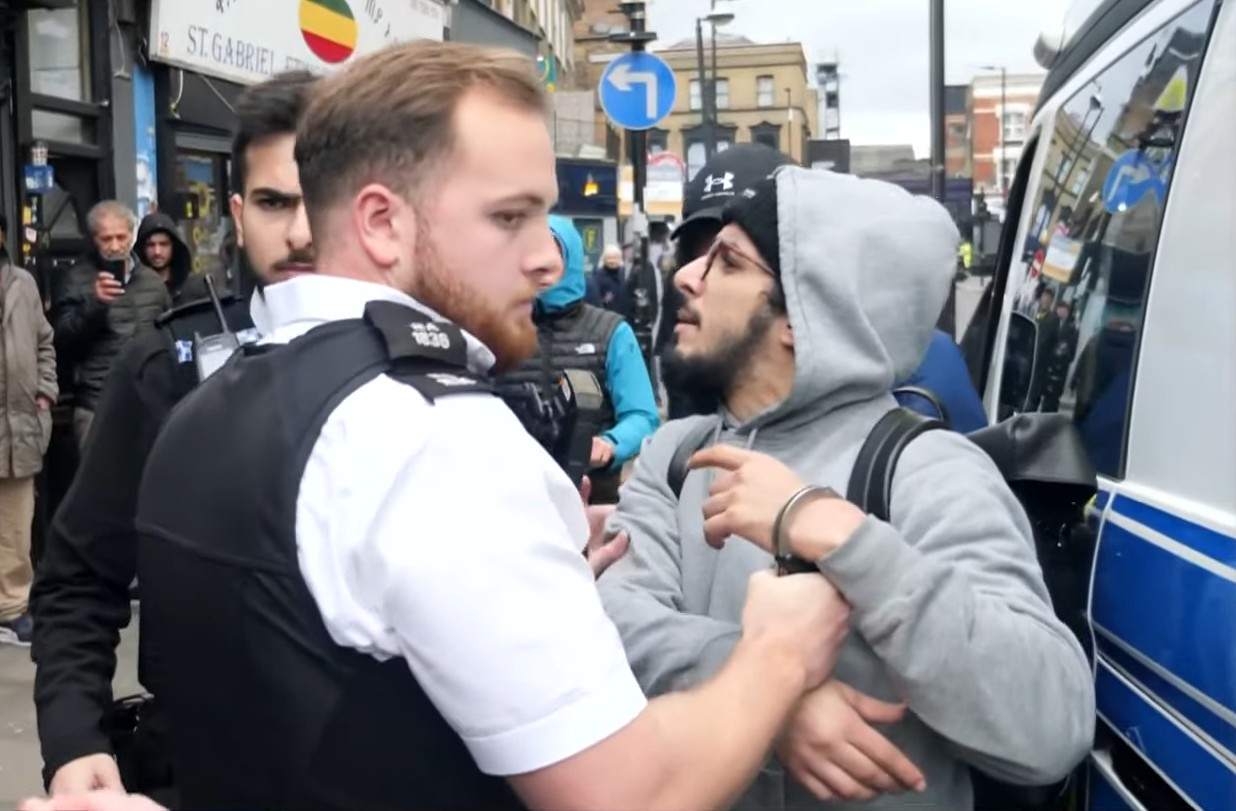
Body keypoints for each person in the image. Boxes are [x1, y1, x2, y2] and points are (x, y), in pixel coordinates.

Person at [131, 41, 849, 811]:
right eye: (510, 216)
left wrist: (542, 545)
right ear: (380, 222)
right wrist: (779, 652)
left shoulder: (215, 393)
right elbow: (633, 793)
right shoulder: (436, 438)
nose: (546, 257)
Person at [598, 168, 1095, 809]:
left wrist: (843, 537)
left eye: (727, 262)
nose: (686, 276)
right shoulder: (676, 454)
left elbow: (1050, 726)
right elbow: (611, 628)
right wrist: (773, 697)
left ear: (803, 316)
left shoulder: (927, 469)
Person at [30, 69, 319, 800]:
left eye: (320, 198)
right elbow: (78, 576)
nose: (300, 231)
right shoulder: (172, 363)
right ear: (237, 212)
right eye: (274, 201)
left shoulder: (434, 361)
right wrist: (74, 741)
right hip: (197, 762)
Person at [501, 216, 658, 503]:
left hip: (592, 495)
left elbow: (643, 415)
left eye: (551, 253)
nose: (539, 265)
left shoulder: (612, 332)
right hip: (514, 497)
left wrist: (611, 445)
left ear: (571, 259)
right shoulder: (496, 328)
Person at [52, 201, 171, 450]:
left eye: (121, 237)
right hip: (97, 404)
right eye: (106, 239)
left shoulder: (151, 281)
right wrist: (95, 305)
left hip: (148, 402)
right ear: (94, 238)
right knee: (103, 486)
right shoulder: (75, 280)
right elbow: (62, 342)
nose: (115, 246)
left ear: (132, 235)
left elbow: (168, 332)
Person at [0, 234, 57, 646]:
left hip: (19, 421)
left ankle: (13, 607)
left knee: (16, 523)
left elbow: (44, 341)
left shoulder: (22, 283)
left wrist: (45, 393)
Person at [135, 212, 202, 304]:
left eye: (164, 244)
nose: (157, 251)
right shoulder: (132, 289)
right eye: (150, 245)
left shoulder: (191, 288)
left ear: (174, 246)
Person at [585, 243, 629, 317]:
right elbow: (596, 301)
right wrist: (606, 300)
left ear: (619, 258)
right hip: (607, 318)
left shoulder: (624, 274)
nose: (612, 261)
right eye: (609, 258)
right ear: (604, 259)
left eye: (615, 258)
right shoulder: (598, 276)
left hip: (623, 317)